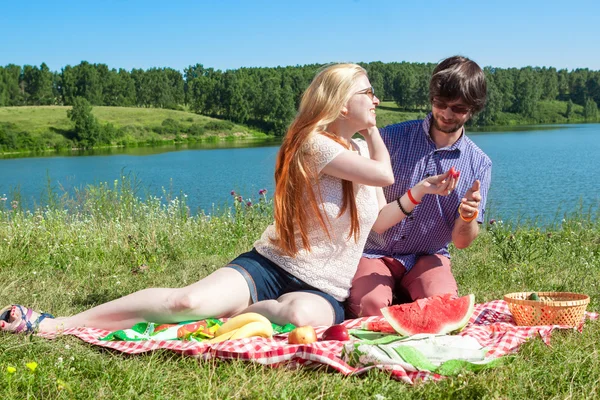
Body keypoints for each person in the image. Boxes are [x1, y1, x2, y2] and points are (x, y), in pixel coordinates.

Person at [0, 63, 456, 335]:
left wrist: (419, 192)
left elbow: (378, 223)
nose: (376, 101)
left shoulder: (357, 151)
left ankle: (236, 313)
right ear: (340, 103)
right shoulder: (313, 144)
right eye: (368, 94)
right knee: (184, 303)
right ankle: (56, 325)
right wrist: (374, 131)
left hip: (326, 288)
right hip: (272, 266)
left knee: (303, 317)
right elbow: (383, 172)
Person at [346, 55, 492, 318]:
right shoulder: (391, 138)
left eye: (458, 108)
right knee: (368, 307)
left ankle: (409, 296)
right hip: (375, 251)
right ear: (432, 98)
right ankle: (393, 298)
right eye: (440, 104)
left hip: (428, 256)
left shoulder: (479, 163)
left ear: (473, 108)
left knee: (442, 309)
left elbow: (461, 242)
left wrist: (468, 215)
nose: (447, 114)